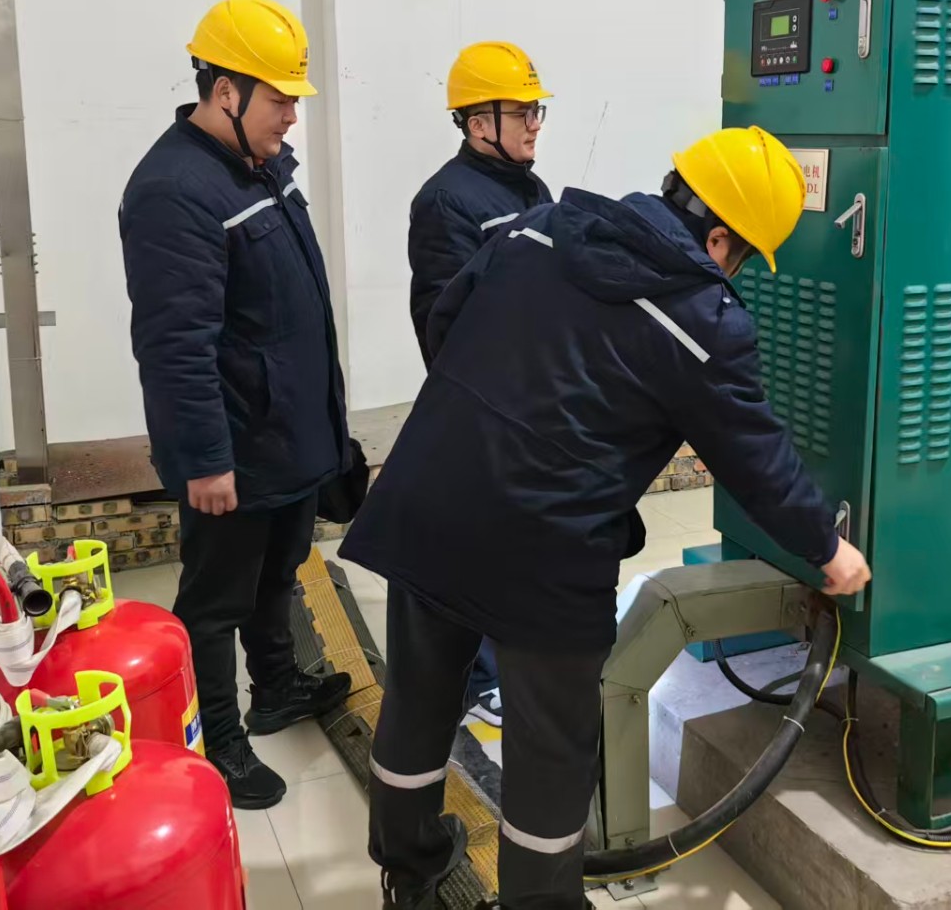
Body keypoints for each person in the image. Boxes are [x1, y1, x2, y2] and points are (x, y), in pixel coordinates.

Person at [342, 125, 872, 910]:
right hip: (546, 553)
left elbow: (448, 320)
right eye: (739, 259)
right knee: (550, 753)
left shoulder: (539, 229)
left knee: (417, 699)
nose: (733, 276)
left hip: (433, 498)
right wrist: (827, 549)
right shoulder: (703, 321)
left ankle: (408, 870)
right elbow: (754, 457)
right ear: (718, 238)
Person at [119, 0, 357, 810]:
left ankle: (278, 687)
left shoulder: (255, 167)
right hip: (235, 445)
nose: (291, 115)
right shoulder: (173, 189)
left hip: (283, 432)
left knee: (279, 571)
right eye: (280, 98)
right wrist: (204, 459)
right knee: (215, 598)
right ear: (225, 90)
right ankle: (217, 740)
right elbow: (174, 343)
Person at [406, 41, 555, 728]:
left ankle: (511, 658)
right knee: (483, 546)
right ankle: (480, 678)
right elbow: (443, 317)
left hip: (532, 397)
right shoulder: (446, 200)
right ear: (477, 122)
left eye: (536, 110)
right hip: (486, 402)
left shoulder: (531, 188)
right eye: (521, 112)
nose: (534, 124)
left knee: (519, 542)